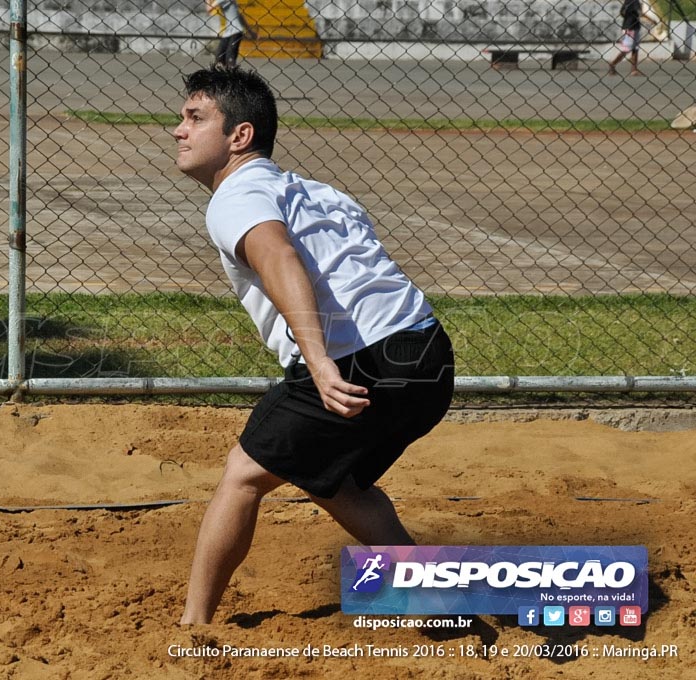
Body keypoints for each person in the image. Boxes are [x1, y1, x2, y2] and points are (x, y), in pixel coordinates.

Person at [172, 67, 455, 625]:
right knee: (329, 476)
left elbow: (280, 258)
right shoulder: (319, 193)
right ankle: (434, 597)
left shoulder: (237, 193)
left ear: (240, 136)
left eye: (195, 117)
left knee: (243, 474)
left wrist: (319, 361)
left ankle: (194, 626)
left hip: (358, 359)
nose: (177, 129)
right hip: (426, 353)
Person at [608, 0, 659, 76]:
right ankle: (613, 64)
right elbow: (641, 13)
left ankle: (634, 70)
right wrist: (652, 20)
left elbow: (622, 13)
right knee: (627, 49)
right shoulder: (635, 1)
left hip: (630, 26)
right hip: (631, 27)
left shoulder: (627, 1)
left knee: (635, 48)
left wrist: (628, 18)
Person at [206, 0, 256, 68]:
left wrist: (208, 1)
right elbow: (239, 16)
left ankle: (231, 72)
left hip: (235, 31)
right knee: (220, 55)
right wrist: (250, 32)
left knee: (230, 56)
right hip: (229, 32)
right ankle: (225, 72)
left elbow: (209, 9)